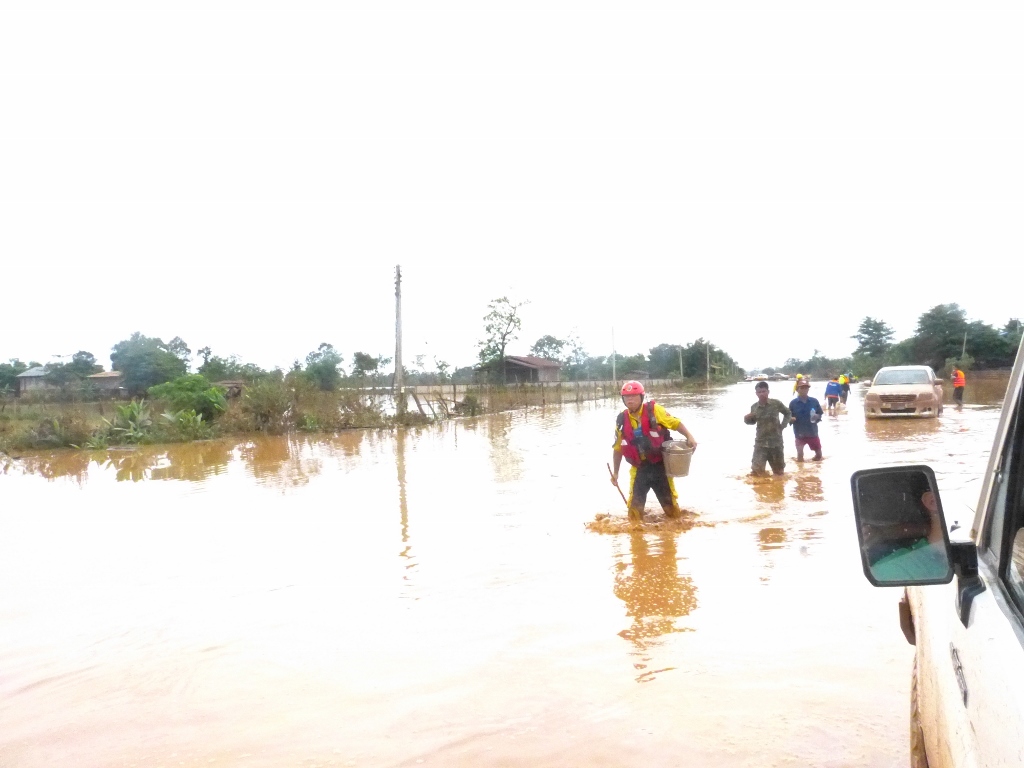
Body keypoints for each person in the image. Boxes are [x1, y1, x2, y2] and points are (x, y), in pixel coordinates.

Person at [611, 380, 698, 522]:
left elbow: (675, 423)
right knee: (634, 516)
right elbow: (618, 448)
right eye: (626, 397)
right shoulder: (621, 419)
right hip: (639, 469)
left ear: (641, 397)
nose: (630, 400)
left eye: (633, 396)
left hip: (660, 468)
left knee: (672, 513)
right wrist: (616, 473)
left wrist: (689, 436)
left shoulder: (655, 410)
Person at [744, 381, 791, 476]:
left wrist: (783, 426)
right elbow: (753, 422)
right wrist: (747, 419)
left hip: (776, 442)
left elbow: (788, 413)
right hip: (760, 443)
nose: (761, 394)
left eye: (764, 391)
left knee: (779, 473)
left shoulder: (776, 403)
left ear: (768, 392)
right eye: (759, 392)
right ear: (756, 393)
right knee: (756, 473)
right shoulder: (754, 407)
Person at [788, 380, 823, 462]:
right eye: (802, 388)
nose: (804, 390)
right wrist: (791, 419)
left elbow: (820, 413)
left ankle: (814, 468)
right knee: (800, 457)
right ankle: (800, 468)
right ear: (797, 390)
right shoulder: (793, 403)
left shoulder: (814, 401)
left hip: (812, 432)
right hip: (799, 433)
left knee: (819, 455)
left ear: (808, 389)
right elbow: (788, 417)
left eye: (806, 388)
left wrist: (817, 416)